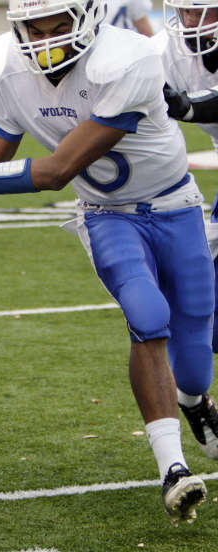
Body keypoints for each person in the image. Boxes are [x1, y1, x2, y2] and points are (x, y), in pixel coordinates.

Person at [0, 0, 212, 524]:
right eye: (34, 28)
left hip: (175, 205)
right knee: (146, 315)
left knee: (196, 358)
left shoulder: (129, 59)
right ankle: (174, 468)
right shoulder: (3, 69)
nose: (45, 41)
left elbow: (57, 169)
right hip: (107, 214)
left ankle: (193, 400)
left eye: (57, 26)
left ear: (89, 17)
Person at [153, 0, 218, 462]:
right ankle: (194, 402)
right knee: (203, 308)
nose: (192, 23)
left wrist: (189, 108)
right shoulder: (166, 51)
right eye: (186, 11)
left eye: (204, 11)